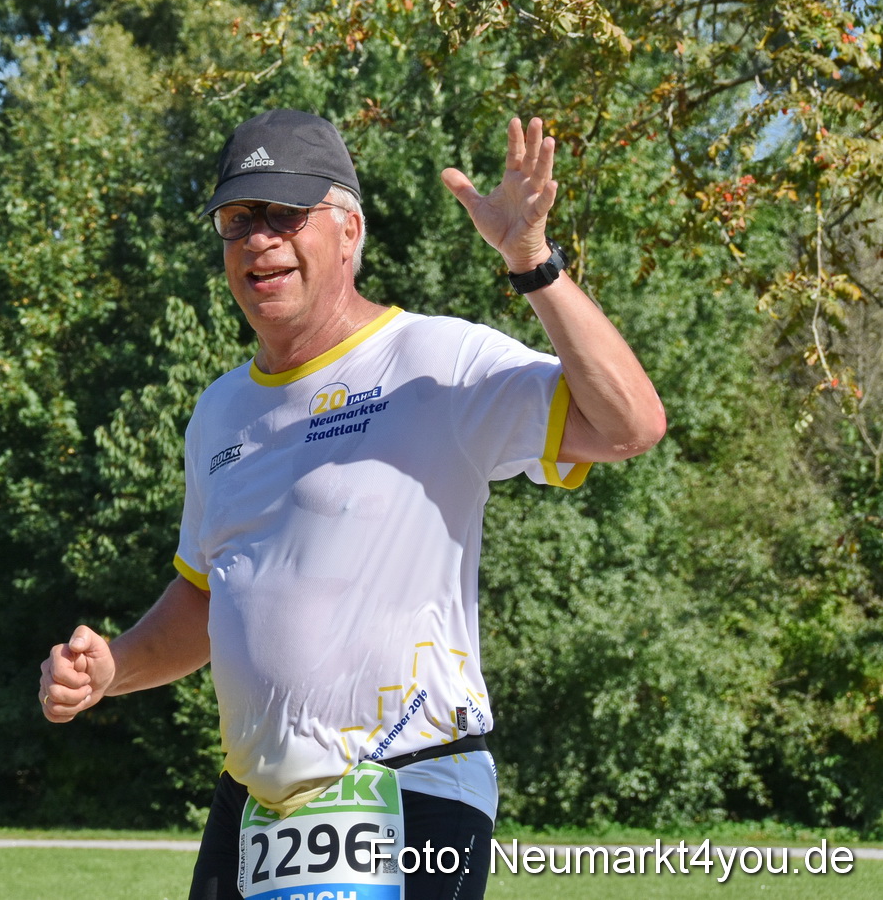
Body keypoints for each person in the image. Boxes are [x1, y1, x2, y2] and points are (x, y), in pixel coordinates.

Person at [37, 110, 665, 900]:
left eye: (284, 214)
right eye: (238, 220)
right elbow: (207, 594)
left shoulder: (434, 360)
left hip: (411, 786)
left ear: (349, 231)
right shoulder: (219, 414)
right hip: (253, 810)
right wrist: (114, 667)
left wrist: (533, 262)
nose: (258, 239)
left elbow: (630, 424)